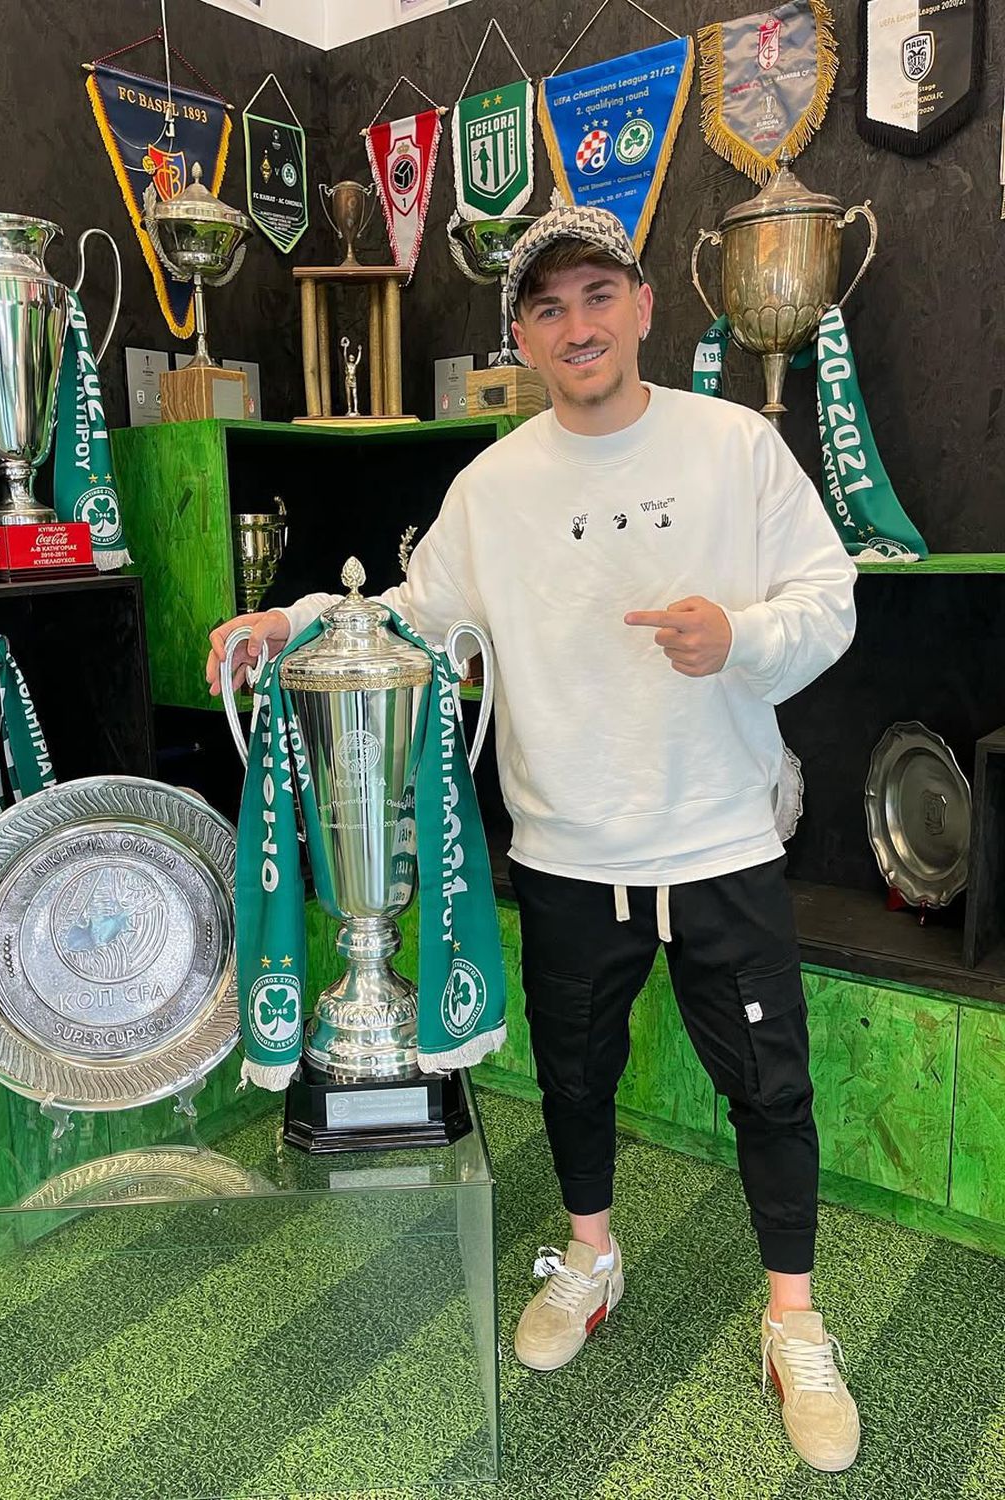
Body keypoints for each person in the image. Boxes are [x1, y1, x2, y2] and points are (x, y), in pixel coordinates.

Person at [206, 204, 860, 1474]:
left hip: (720, 838)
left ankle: (795, 1319)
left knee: (773, 1088)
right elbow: (416, 615)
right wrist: (296, 622)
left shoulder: (734, 445)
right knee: (572, 1077)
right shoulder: (495, 485)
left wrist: (740, 638)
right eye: (548, 308)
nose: (578, 326)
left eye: (598, 296)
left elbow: (827, 600)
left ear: (646, 306)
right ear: (522, 336)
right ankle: (591, 1256)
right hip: (567, 847)